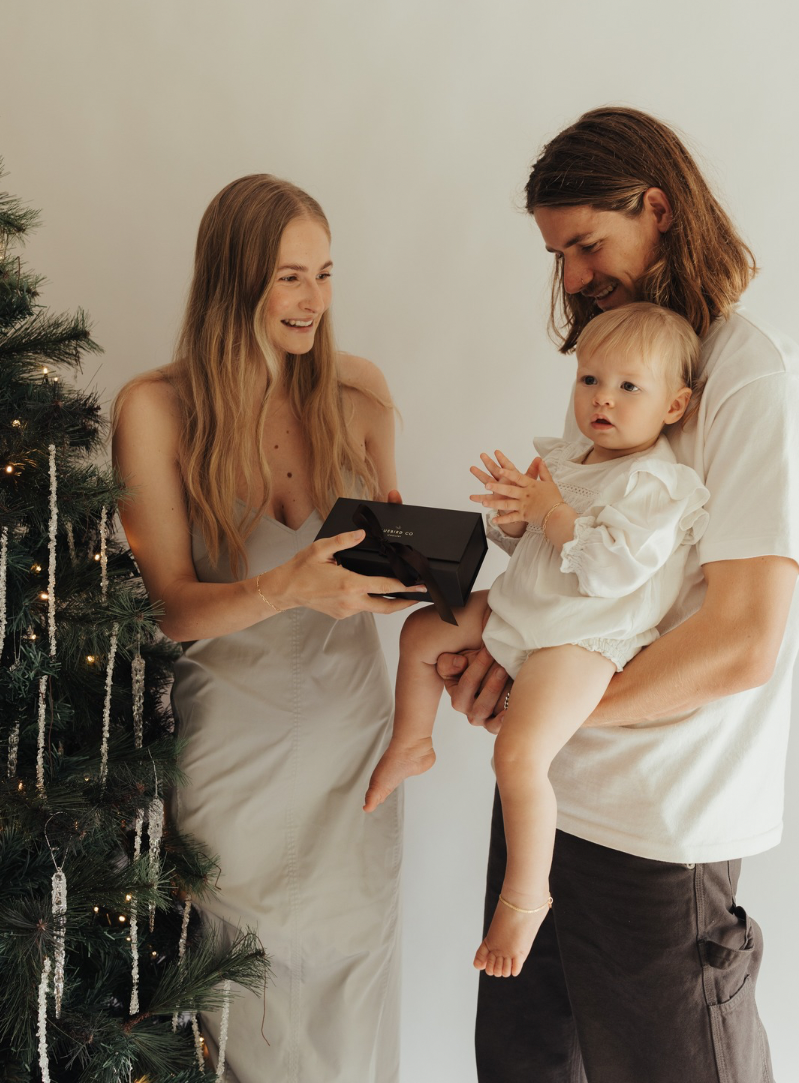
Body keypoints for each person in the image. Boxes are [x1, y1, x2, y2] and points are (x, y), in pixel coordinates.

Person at [437, 109, 799, 1083]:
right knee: (517, 1069)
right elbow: (569, 570)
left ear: (659, 210)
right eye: (557, 255)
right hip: (549, 812)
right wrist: (502, 666)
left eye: (587, 246)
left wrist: (549, 721)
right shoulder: (615, 364)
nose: (572, 278)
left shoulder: (743, 378)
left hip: (659, 836)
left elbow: (742, 642)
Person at [112, 174, 424, 1083]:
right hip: (233, 741)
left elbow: (385, 552)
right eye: (291, 277)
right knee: (246, 988)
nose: (314, 301)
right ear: (233, 276)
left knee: (355, 972)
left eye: (325, 275)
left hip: (355, 733)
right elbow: (168, 604)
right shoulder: (156, 408)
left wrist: (420, 559)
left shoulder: (359, 391)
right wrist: (283, 588)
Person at [365, 304, 709, 980]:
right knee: (421, 630)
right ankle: (411, 739)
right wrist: (515, 515)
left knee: (519, 756)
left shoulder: (655, 483)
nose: (601, 398)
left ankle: (525, 895)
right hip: (526, 609)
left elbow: (612, 570)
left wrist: (549, 512)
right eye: (588, 380)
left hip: (583, 637)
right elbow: (526, 548)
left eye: (627, 387)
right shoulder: (565, 458)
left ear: (675, 405)